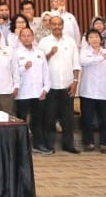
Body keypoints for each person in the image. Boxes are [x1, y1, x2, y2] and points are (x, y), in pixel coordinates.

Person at [37, 16, 81, 154]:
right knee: (49, 117)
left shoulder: (70, 41)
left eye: (59, 24)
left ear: (62, 26)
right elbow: (39, 63)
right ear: (49, 25)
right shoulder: (44, 42)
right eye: (54, 24)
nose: (57, 27)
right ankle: (49, 144)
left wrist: (75, 81)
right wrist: (50, 53)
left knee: (68, 118)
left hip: (67, 85)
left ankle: (68, 144)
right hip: (51, 86)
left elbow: (76, 63)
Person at [79, 29, 106, 153]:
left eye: (96, 37)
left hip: (104, 92)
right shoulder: (84, 52)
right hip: (87, 91)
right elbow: (84, 62)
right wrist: (100, 58)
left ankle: (105, 144)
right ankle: (88, 142)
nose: (94, 39)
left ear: (101, 39)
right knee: (87, 119)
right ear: (87, 40)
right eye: (91, 37)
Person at [13, 27, 52, 154]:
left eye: (29, 35)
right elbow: (13, 73)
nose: (26, 38)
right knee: (22, 121)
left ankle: (38, 144)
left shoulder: (39, 53)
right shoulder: (15, 53)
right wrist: (24, 68)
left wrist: (46, 88)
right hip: (22, 93)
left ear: (33, 37)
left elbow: (46, 72)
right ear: (20, 38)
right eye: (23, 36)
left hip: (38, 93)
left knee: (38, 121)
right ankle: (21, 148)